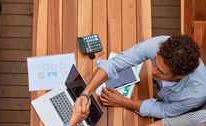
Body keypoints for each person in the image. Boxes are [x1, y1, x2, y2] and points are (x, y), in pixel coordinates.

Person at [77, 35, 206, 119]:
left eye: (160, 71)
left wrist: (124, 102)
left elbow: (164, 111)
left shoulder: (196, 94)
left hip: (182, 110)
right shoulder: (160, 45)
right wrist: (85, 94)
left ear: (179, 76)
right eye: (155, 62)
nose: (152, 70)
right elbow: (114, 63)